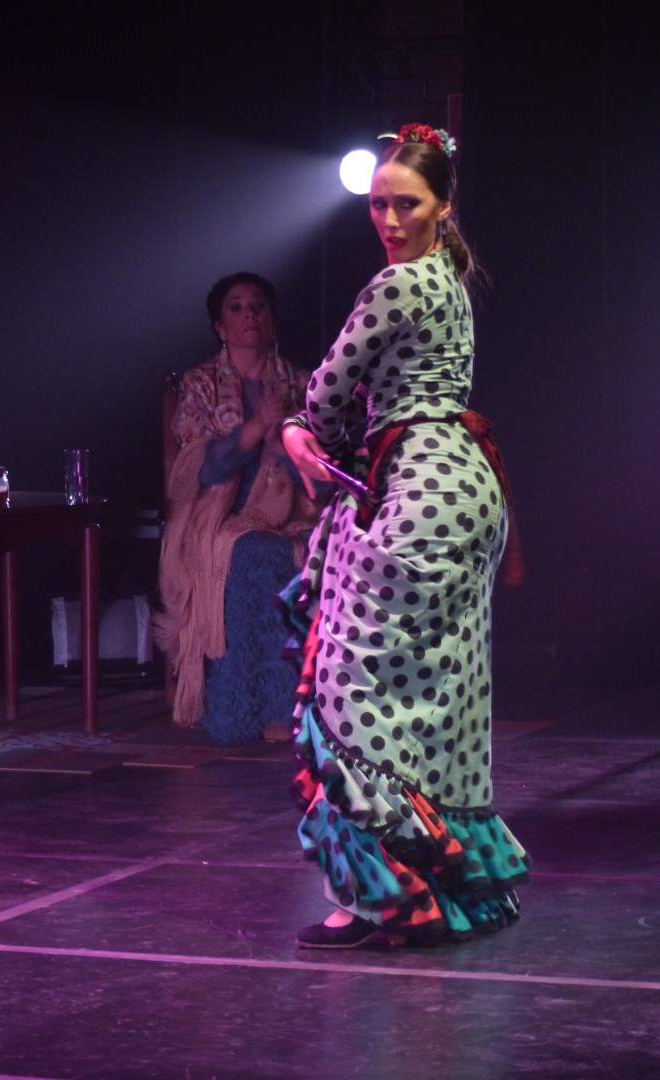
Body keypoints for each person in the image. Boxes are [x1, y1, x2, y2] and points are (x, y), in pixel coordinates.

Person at [280, 123, 529, 948]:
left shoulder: (398, 284)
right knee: (436, 700)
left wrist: (297, 433)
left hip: (419, 491)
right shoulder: (450, 281)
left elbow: (326, 392)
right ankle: (451, 894)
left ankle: (379, 899)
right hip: (467, 490)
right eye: (378, 204)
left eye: (407, 204)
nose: (388, 219)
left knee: (348, 693)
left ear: (443, 205)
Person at [156, 272, 320, 743]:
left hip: (293, 513)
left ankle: (326, 710)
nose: (249, 314)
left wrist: (287, 444)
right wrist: (254, 429)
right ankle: (257, 708)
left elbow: (322, 468)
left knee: (333, 549)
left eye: (258, 306)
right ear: (220, 327)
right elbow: (197, 473)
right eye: (237, 307)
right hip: (217, 516)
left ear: (271, 319)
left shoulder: (301, 384)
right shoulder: (200, 385)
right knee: (254, 554)